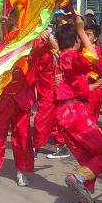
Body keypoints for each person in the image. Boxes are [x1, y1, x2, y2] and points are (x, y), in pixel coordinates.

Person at [55, 15, 102, 203]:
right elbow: (92, 56)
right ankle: (77, 179)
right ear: (76, 41)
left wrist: (94, 85)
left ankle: (84, 202)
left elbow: (75, 86)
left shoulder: (59, 59)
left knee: (89, 160)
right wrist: (80, 29)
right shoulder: (69, 57)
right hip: (76, 114)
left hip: (64, 115)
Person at [0, 15, 35, 192]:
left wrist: (45, 36)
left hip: (22, 100)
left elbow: (43, 56)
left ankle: (21, 171)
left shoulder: (29, 47)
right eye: (16, 23)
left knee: (23, 139)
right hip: (1, 101)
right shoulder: (1, 48)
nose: (18, 27)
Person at [32, 27, 69, 159]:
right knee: (48, 117)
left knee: (47, 117)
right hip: (42, 85)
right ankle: (42, 145)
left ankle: (39, 146)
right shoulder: (34, 40)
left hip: (53, 86)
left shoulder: (50, 39)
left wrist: (48, 37)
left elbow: (58, 50)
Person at [83, 22, 102, 123]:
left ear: (95, 38)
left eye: (88, 34)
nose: (85, 37)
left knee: (90, 121)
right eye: (84, 34)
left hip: (93, 92)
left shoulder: (97, 52)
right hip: (82, 90)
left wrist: (88, 76)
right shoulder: (80, 50)